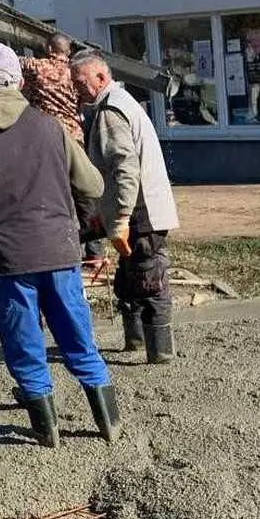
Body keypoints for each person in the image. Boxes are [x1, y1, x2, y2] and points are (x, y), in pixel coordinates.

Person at [0, 43, 119, 447]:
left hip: (11, 258)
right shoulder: (51, 126)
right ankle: (109, 424)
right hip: (59, 249)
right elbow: (93, 184)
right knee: (77, 335)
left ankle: (49, 432)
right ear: (21, 81)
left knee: (24, 341)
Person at [70, 50, 179, 363]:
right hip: (138, 208)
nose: (77, 90)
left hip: (140, 212)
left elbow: (125, 168)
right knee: (130, 277)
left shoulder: (111, 111)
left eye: (81, 82)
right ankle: (137, 342)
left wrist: (119, 218)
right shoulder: (117, 102)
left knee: (148, 276)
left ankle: (159, 351)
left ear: (101, 77)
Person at [0, 31, 106, 270]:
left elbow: (6, 64)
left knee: (54, 193)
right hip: (75, 136)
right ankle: (95, 252)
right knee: (84, 194)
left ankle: (64, 244)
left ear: (49, 50)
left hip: (47, 137)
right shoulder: (75, 73)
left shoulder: (39, 67)